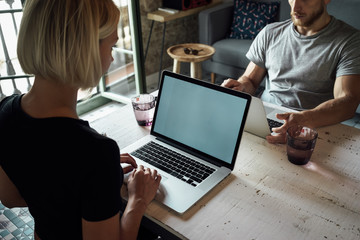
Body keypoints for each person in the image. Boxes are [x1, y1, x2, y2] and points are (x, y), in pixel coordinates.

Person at [0, 0, 161, 239]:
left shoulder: (4, 112)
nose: (113, 59)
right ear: (86, 51)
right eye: (111, 47)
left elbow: (11, 198)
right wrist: (138, 200)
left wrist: (85, 179)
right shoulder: (95, 152)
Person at [222, 0, 360, 144]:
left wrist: (304, 119)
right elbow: (250, 80)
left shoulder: (350, 41)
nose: (295, 7)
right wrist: (241, 87)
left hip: (313, 127)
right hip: (264, 120)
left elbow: (348, 102)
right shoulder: (270, 32)